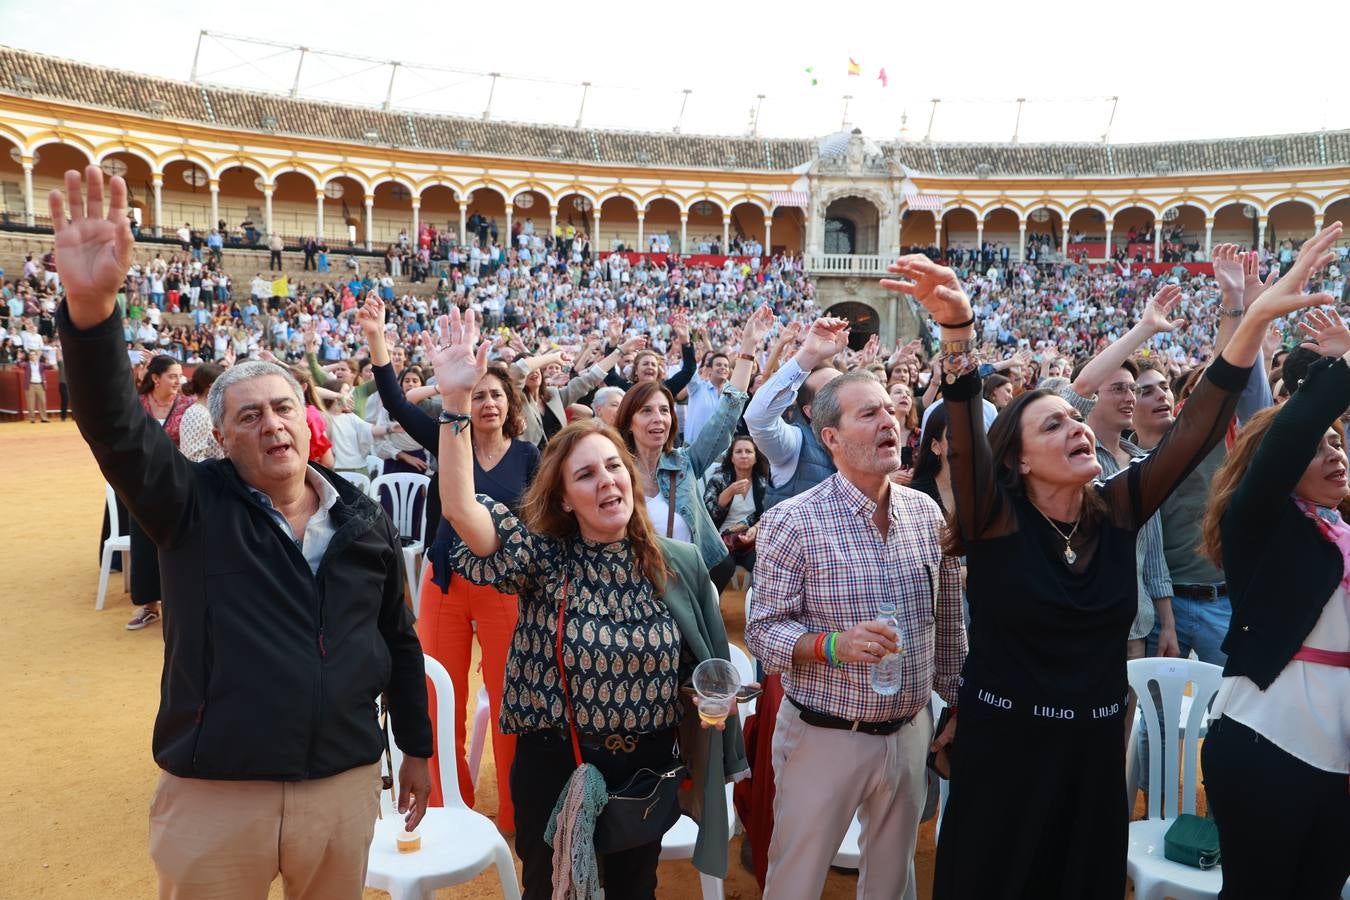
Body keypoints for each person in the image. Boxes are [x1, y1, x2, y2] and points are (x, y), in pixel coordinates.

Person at [880, 226, 1341, 898]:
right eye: (1052, 424)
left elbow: (1198, 427)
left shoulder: (1117, 511)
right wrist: (957, 328)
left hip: (1095, 755)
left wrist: (1253, 320)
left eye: (1075, 418)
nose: (1076, 427)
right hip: (1005, 754)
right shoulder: (992, 520)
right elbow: (964, 418)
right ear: (1017, 460)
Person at [52, 165, 432, 899]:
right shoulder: (190, 505)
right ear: (221, 439)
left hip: (342, 781)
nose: (272, 425)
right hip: (218, 790)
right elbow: (117, 430)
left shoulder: (363, 516)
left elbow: (398, 638)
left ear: (308, 422)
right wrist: (92, 314)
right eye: (250, 416)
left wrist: (415, 745)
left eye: (283, 408)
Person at [426, 307, 747, 900]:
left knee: (634, 891)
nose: (607, 482)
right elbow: (462, 510)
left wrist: (709, 701)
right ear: (564, 499)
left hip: (646, 774)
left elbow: (697, 670)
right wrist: (453, 402)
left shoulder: (675, 563)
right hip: (556, 769)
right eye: (585, 476)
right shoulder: (541, 558)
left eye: (613, 467)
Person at [746, 369, 966, 900]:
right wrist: (834, 645)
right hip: (824, 736)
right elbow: (763, 633)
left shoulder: (925, 513)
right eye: (869, 413)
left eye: (891, 409)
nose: (889, 420)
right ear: (832, 437)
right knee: (796, 881)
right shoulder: (793, 521)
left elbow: (949, 624)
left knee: (892, 882)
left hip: (911, 731)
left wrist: (958, 701)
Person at [361, 294, 539, 832]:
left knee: (512, 701)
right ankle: (447, 806)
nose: (487, 403)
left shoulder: (530, 456)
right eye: (478, 394)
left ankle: (516, 812)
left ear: (510, 404)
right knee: (440, 694)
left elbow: (542, 523)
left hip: (507, 588)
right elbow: (395, 402)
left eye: (496, 394)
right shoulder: (446, 437)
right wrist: (377, 339)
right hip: (446, 582)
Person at [1199, 306, 1350, 900]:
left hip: (1340, 752)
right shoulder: (1258, 525)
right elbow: (1291, 433)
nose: (1334, 455)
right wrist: (1337, 366)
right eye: (1317, 447)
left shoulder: (1342, 530)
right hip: (1265, 740)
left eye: (1338, 443)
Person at [615, 306, 768, 591]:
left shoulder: (685, 462)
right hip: (635, 591)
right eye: (646, 411)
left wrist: (748, 347)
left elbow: (728, 412)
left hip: (686, 587)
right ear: (629, 422)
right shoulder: (614, 471)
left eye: (664, 410)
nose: (658, 418)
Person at [745, 317, 848, 510]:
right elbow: (757, 418)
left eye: (844, 385)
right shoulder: (794, 443)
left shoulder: (865, 436)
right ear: (810, 410)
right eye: (829, 390)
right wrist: (808, 355)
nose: (842, 393)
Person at [121, 353, 193, 630]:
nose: (177, 381)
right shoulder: (137, 404)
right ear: (155, 378)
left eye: (179, 376)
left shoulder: (187, 404)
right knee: (144, 544)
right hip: (142, 485)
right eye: (172, 376)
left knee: (181, 543)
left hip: (178, 484)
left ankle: (181, 604)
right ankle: (149, 605)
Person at [703, 435, 769, 577]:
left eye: (748, 451)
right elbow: (707, 515)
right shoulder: (718, 480)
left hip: (752, 540)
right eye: (738, 452)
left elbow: (769, 514)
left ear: (756, 458)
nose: (744, 455)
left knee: (763, 563)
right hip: (723, 539)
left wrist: (755, 529)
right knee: (723, 566)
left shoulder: (763, 483)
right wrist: (729, 492)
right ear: (731, 458)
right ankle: (711, 593)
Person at [178, 362, 226, 461]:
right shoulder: (196, 414)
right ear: (212, 386)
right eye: (225, 384)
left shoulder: (211, 411)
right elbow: (193, 459)